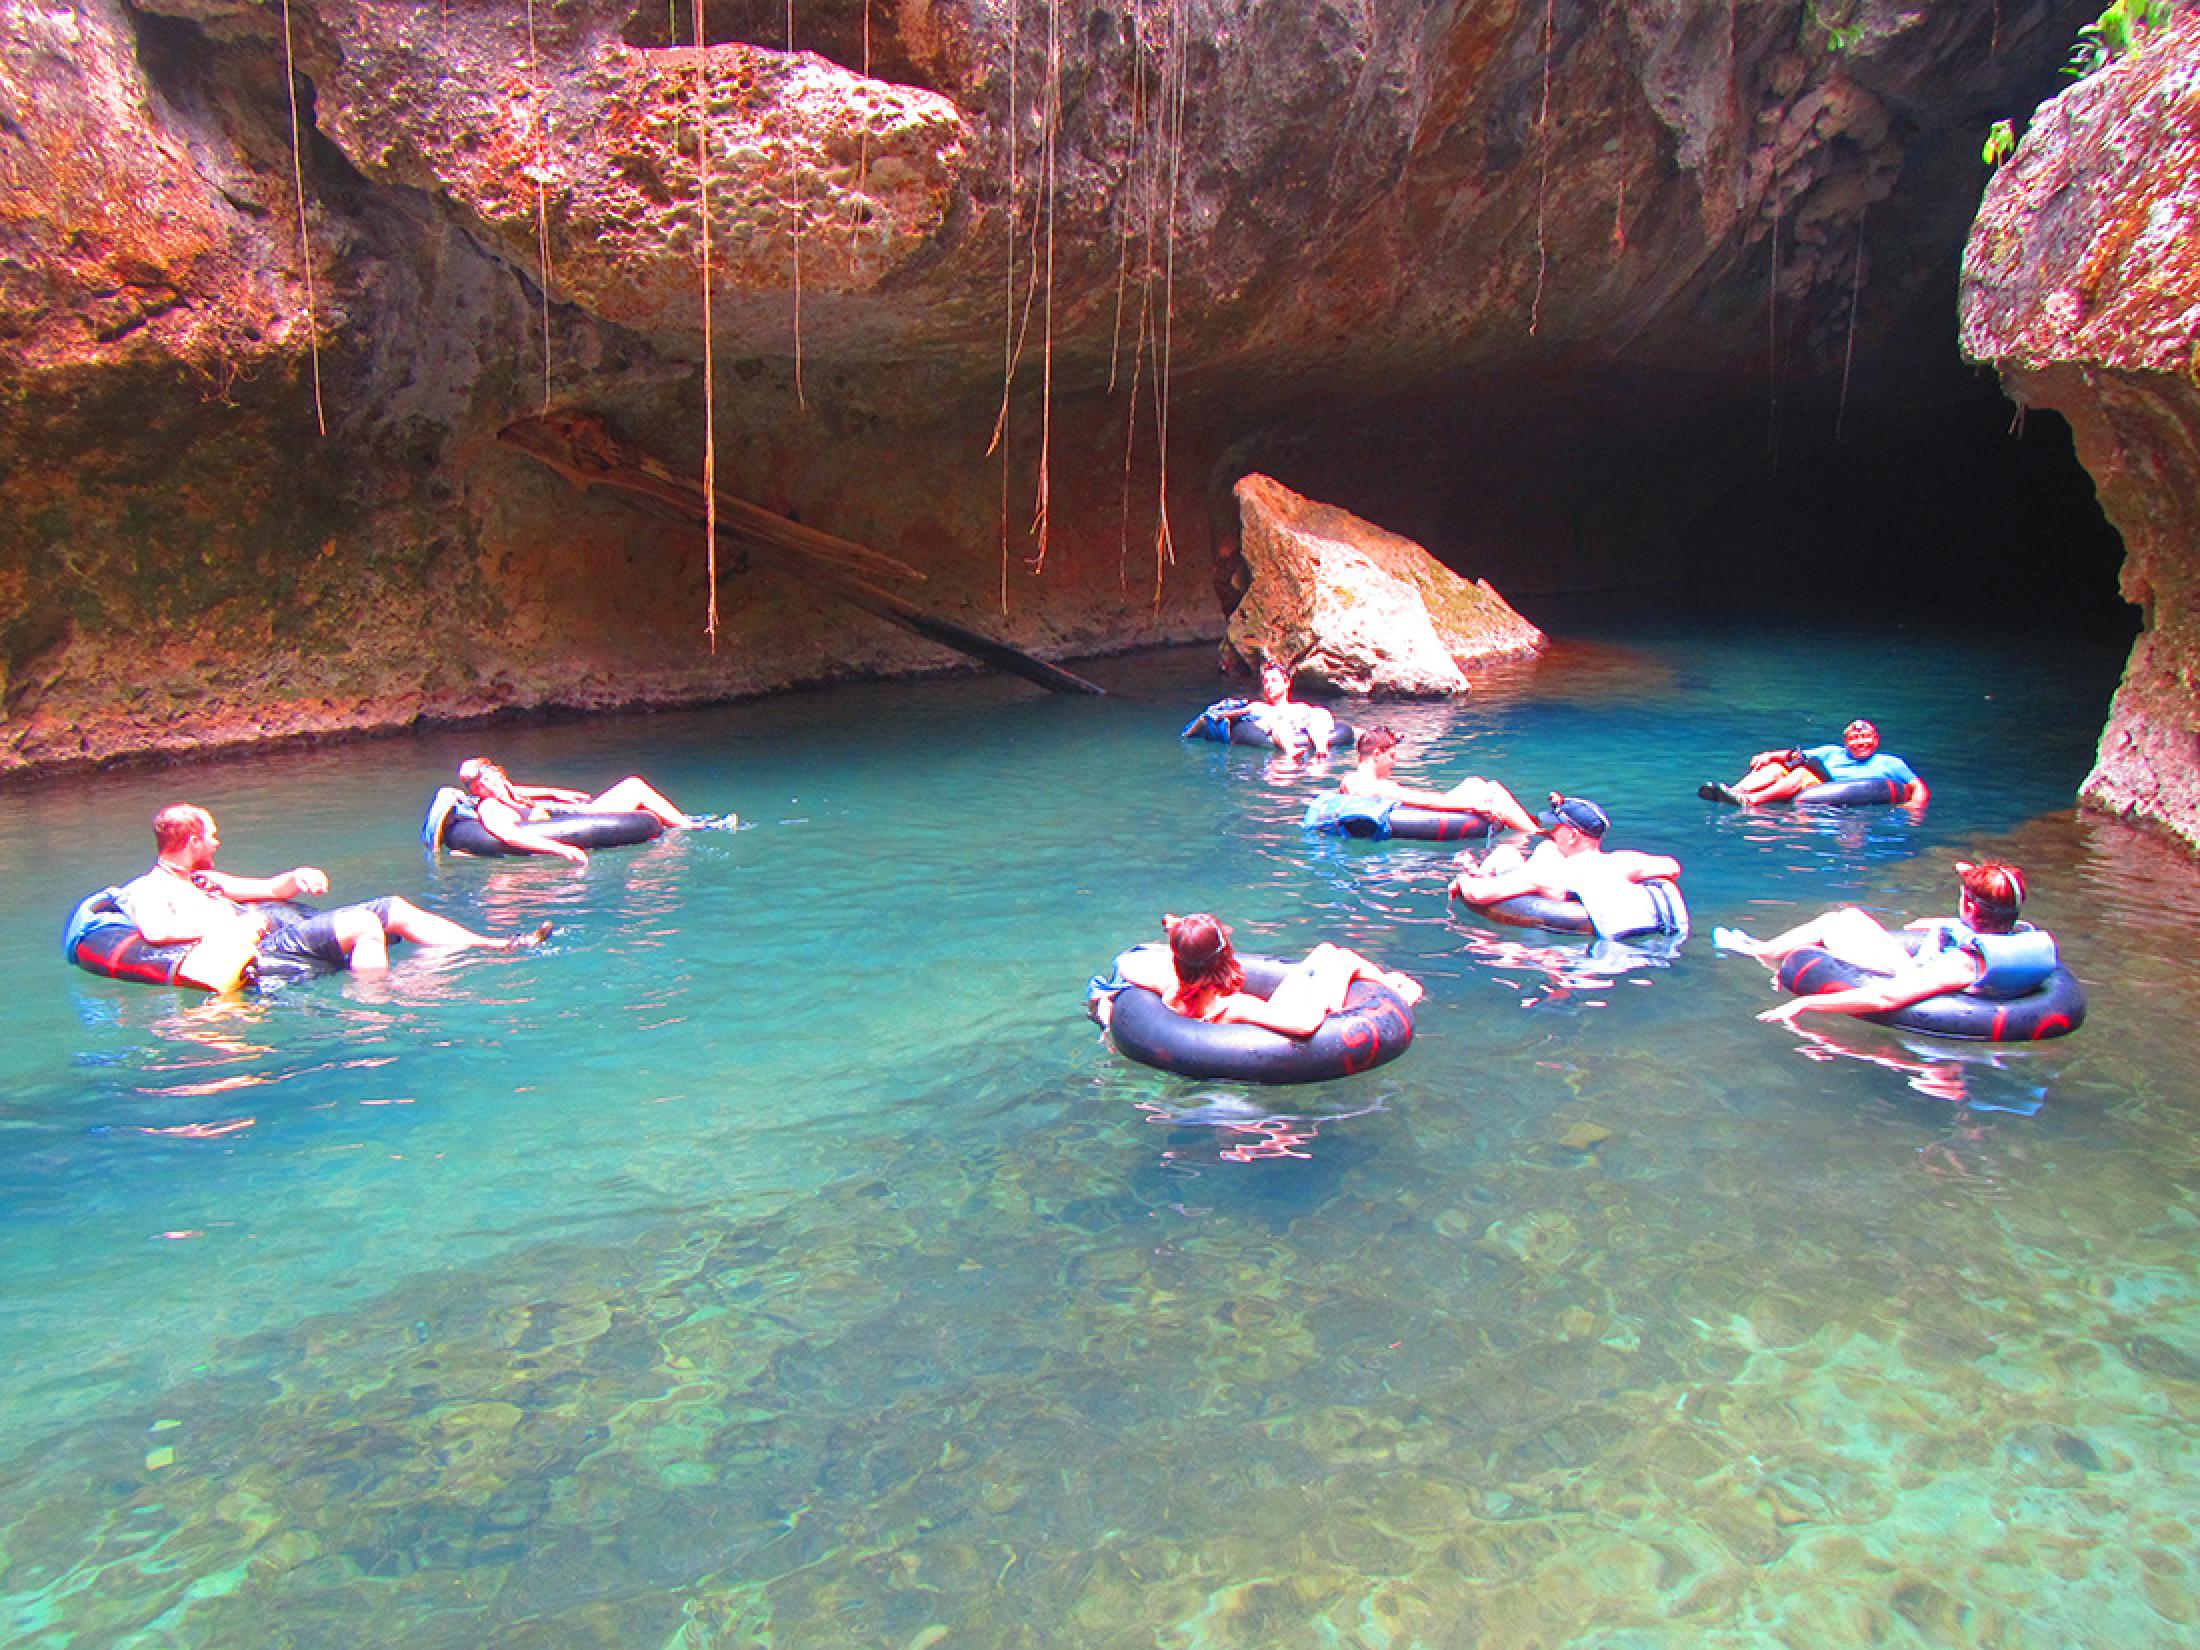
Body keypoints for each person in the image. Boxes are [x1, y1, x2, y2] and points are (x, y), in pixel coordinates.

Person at [116, 803, 550, 976]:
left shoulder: (204, 880)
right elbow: (156, 932)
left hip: (279, 928)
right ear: (192, 841)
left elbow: (270, 888)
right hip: (264, 944)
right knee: (363, 924)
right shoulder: (150, 889)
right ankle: (374, 1010)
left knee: (393, 907)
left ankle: (497, 945)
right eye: (211, 836)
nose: (217, 842)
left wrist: (298, 876)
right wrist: (232, 924)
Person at [1716, 859, 2052, 1026]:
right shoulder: (2020, 936)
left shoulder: (1962, 963)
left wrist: (1805, 1004)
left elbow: (1886, 998)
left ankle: (1761, 953)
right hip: (1944, 966)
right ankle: (1766, 951)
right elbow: (1982, 920)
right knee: (1855, 917)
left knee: (1837, 921)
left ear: (1970, 907)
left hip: (1913, 979)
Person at [1110, 913, 1423, 1035]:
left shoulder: (1171, 991)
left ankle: (1387, 985)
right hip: (1304, 1017)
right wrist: (1320, 997)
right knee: (1341, 959)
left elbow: (1127, 963)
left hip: (1205, 989)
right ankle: (1393, 993)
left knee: (1325, 951)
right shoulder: (1234, 1007)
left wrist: (1178, 931)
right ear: (1225, 956)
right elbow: (1305, 1025)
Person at [1447, 795, 1687, 938]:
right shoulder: (1622, 861)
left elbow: (1479, 895)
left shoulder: (1550, 873)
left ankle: (1476, 870)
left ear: (1572, 836)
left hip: (1581, 955)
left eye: (1557, 828)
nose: (1552, 832)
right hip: (1640, 937)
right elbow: (1672, 866)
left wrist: (1463, 880)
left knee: (1506, 856)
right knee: (1511, 852)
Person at [457, 757, 723, 865]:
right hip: (578, 823)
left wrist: (558, 794)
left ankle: (683, 823)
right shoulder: (491, 806)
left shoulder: (510, 791)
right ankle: (689, 827)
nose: (489, 785)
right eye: (481, 785)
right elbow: (508, 834)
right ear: (477, 791)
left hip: (572, 815)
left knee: (635, 790)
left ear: (499, 773)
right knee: (634, 787)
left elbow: (521, 790)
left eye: (491, 777)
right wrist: (560, 849)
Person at [1339, 727, 1541, 833]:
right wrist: (1475, 806)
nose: (1395, 762)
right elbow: (1427, 801)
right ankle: (1534, 833)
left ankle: (1528, 823)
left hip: (1405, 812)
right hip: (1421, 816)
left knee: (1474, 782)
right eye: (1391, 756)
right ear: (1376, 755)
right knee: (1492, 790)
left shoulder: (1349, 780)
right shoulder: (1377, 787)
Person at [1700, 719, 1929, 809]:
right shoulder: (1832, 752)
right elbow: (1794, 755)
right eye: (1855, 738)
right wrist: (1769, 755)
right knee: (1775, 767)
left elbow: (1918, 786)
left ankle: (1752, 801)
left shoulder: (1891, 763)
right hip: (1812, 789)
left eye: (1866, 738)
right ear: (1846, 742)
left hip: (1832, 792)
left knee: (1802, 773)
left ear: (1876, 740)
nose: (1861, 743)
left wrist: (1915, 807)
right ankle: (1734, 792)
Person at [1208, 662, 1340, 756]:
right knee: (1280, 723)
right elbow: (1231, 714)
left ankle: (1321, 750)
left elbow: (1319, 717)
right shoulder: (1259, 706)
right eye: (1266, 682)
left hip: (1301, 723)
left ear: (1286, 683)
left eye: (1274, 681)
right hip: (1279, 727)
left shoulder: (1301, 707)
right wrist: (1221, 713)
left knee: (1319, 712)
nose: (1269, 686)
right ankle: (1291, 752)